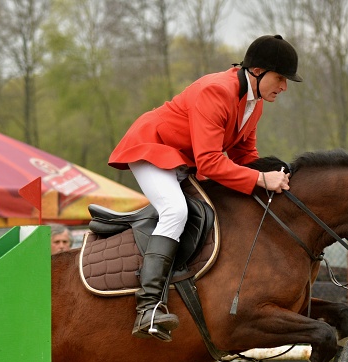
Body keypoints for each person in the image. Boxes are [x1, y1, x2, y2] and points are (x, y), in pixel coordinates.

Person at [109, 34, 302, 341]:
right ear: (257, 71)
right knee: (175, 210)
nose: (284, 87)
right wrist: (260, 180)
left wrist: (275, 175)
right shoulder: (217, 91)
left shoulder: (254, 104)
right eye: (280, 78)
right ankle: (148, 307)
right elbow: (211, 163)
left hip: (184, 160)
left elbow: (244, 157)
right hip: (153, 150)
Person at [50, 224, 100, 362]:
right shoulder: (43, 273)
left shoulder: (79, 270)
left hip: (82, 346)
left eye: (65, 242)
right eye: (57, 242)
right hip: (56, 347)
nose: (61, 246)